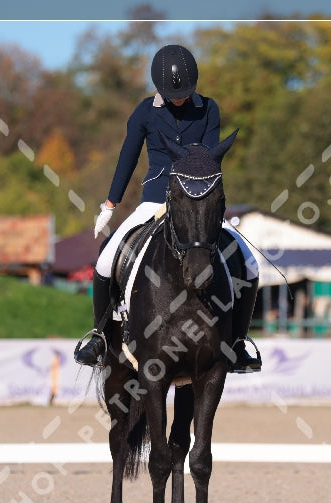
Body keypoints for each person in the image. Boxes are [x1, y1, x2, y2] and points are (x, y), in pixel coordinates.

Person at [74, 44, 261, 372]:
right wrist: (110, 203)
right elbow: (128, 156)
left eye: (184, 93)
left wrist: (209, 203)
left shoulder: (208, 109)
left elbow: (208, 158)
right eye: (173, 94)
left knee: (250, 263)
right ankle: (99, 336)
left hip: (196, 202)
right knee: (106, 261)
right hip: (155, 198)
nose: (179, 99)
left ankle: (239, 343)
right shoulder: (145, 111)